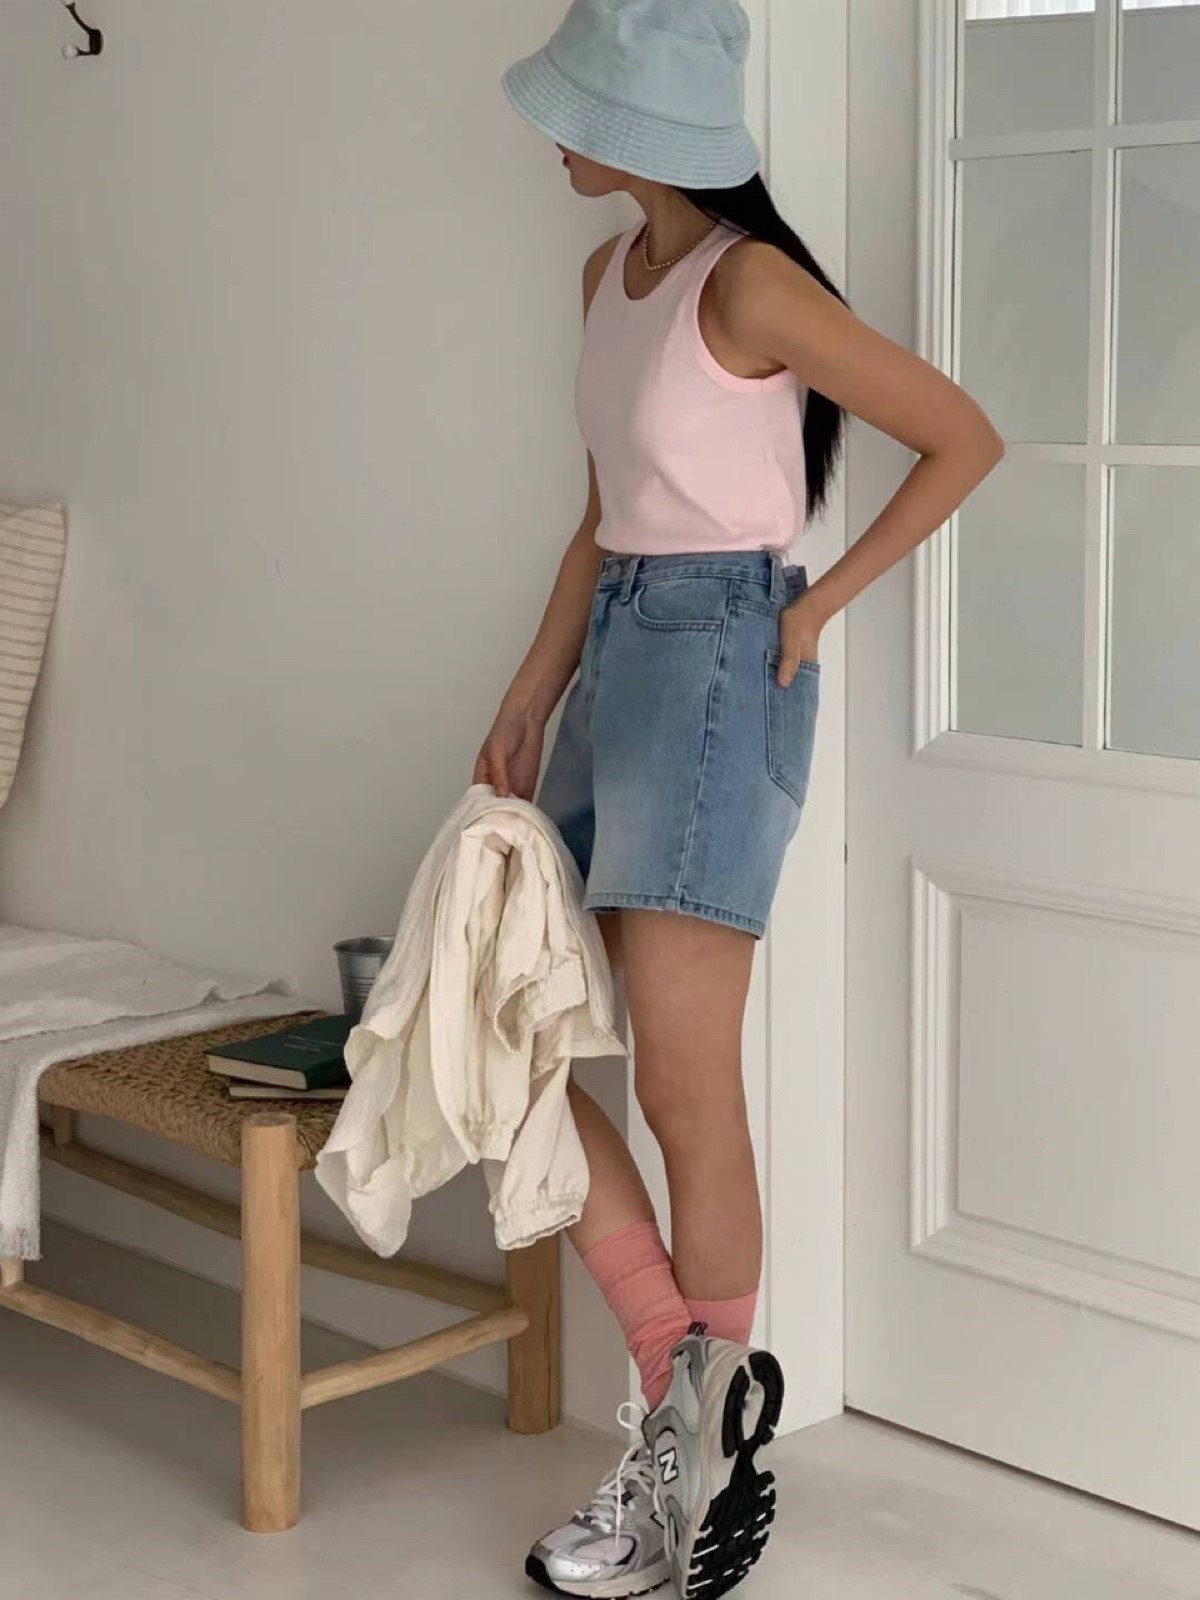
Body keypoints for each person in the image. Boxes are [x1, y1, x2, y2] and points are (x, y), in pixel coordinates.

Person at [480, 2, 1004, 1595]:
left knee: (684, 1083)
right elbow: (602, 514)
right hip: (617, 654)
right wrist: (530, 688)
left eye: (573, 105)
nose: (548, 131)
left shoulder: (752, 285)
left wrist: (812, 605)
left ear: (640, 123)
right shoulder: (604, 279)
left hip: (720, 657)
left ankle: (691, 1471)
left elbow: (962, 437)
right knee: (508, 1026)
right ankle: (686, 1388)